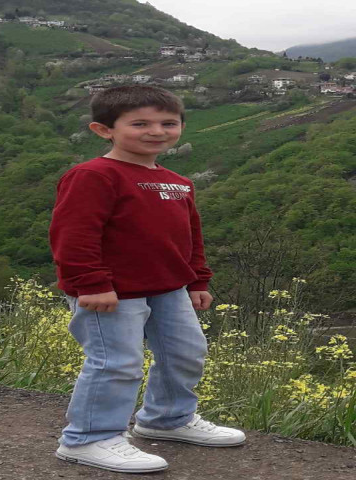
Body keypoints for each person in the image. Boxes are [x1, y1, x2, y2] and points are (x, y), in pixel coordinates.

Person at [49, 85, 245, 473]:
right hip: (111, 292)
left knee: (186, 354)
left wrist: (198, 281)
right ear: (104, 129)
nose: (156, 131)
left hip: (170, 288)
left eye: (168, 123)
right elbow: (74, 233)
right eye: (140, 124)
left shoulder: (178, 182)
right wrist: (91, 283)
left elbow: (191, 236)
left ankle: (167, 419)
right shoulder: (93, 175)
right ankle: (88, 439)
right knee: (117, 363)